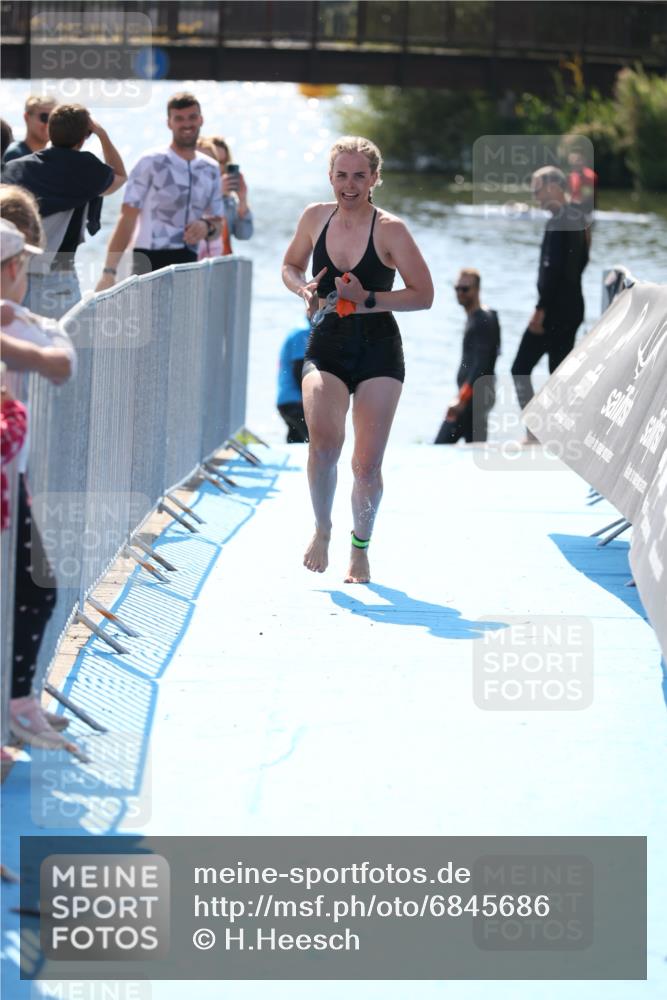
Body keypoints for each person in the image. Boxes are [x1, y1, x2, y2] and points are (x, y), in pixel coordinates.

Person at [282, 136, 433, 583]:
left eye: (359, 176)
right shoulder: (313, 217)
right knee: (324, 445)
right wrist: (302, 288)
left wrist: (365, 298)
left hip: (379, 348)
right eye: (342, 175)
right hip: (326, 342)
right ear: (330, 177)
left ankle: (360, 548)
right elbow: (290, 265)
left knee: (366, 465)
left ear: (374, 180)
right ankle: (323, 529)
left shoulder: (391, 229)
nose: (350, 185)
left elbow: (423, 295)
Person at [0, 218, 78, 752]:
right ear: (10, 270)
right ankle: (17, 706)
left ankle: (17, 703)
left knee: (35, 588)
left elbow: (60, 365)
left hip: (12, 482)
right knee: (36, 590)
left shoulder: (12, 319)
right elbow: (57, 364)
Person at [2, 104, 126, 318]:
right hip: (59, 279)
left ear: (49, 130)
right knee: (65, 344)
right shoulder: (88, 169)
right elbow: (120, 177)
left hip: (15, 274)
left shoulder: (15, 168)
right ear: (83, 138)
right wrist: (102, 134)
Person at [95, 93, 223, 289]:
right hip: (148, 259)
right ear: (169, 123)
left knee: (183, 320)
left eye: (192, 117)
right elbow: (127, 219)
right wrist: (109, 272)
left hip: (189, 262)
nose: (186, 124)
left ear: (201, 119)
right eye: (179, 118)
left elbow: (218, 225)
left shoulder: (211, 168)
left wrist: (206, 227)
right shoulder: (150, 162)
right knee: (147, 320)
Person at [510, 166, 588, 437]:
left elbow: (553, 269)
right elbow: (582, 263)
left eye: (537, 190)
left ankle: (535, 434)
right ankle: (561, 434)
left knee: (520, 368)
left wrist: (540, 309)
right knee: (559, 373)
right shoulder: (577, 218)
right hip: (573, 306)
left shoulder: (558, 222)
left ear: (554, 187)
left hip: (553, 310)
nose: (536, 197)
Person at [434, 269, 500, 444]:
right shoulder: (487, 316)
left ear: (477, 289)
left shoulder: (482, 320)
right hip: (480, 397)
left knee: (439, 447)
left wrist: (461, 399)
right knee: (476, 449)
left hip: (472, 400)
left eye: (465, 289)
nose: (460, 293)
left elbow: (483, 364)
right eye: (457, 288)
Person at [196, 136, 253, 258]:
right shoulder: (187, 194)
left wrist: (242, 199)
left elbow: (244, 234)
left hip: (221, 267)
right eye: (214, 161)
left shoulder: (228, 201)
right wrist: (215, 193)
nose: (219, 168)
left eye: (223, 163)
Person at [276, 321, 310, 443]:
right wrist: (311, 398)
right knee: (318, 442)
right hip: (296, 401)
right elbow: (299, 370)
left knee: (297, 441)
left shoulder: (301, 328)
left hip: (287, 400)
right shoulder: (303, 332)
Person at [2, 95, 56, 163]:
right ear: (27, 117)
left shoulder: (51, 157)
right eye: (44, 117)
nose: (48, 124)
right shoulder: (14, 155)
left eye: (53, 119)